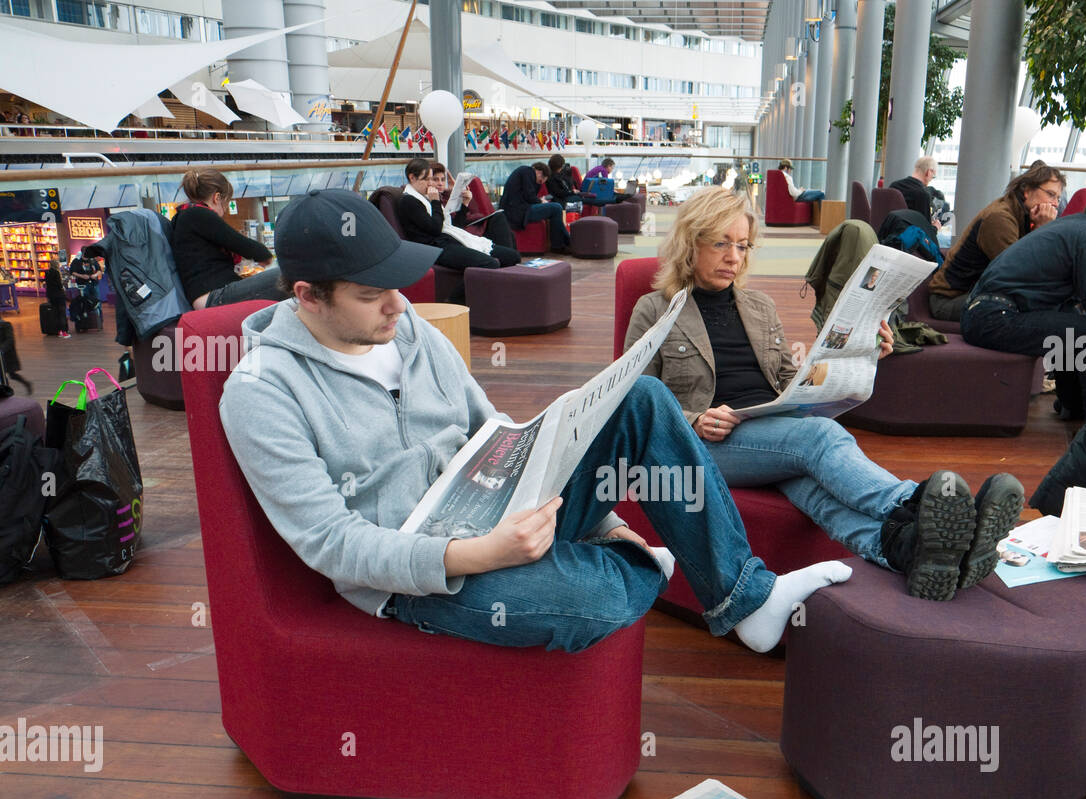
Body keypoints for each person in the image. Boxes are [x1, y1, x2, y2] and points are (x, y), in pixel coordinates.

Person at [220, 188, 852, 655]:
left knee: (644, 400)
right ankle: (639, 566)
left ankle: (746, 599)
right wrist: (475, 554)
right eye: (369, 295)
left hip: (494, 500)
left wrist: (595, 513)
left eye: (397, 284)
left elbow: (488, 426)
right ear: (306, 295)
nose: (398, 306)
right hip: (418, 572)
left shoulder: (411, 331)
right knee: (594, 601)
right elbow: (328, 542)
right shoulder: (261, 393)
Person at [625, 188, 1024, 602]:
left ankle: (911, 551)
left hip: (771, 429)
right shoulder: (654, 310)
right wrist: (694, 419)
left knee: (813, 488)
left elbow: (783, 375)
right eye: (721, 243)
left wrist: (862, 352)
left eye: (742, 245)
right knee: (819, 438)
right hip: (704, 444)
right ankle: (917, 504)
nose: (734, 257)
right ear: (691, 244)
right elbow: (632, 402)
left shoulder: (758, 306)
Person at [962, 184, 1086, 421]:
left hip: (983, 314)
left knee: (1077, 324)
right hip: (996, 318)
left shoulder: (1071, 227)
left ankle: (1074, 408)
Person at [928, 160, 1065, 321]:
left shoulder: (1021, 215)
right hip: (949, 301)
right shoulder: (1000, 218)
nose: (1055, 204)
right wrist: (1043, 229)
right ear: (1027, 191)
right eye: (1050, 194)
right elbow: (1023, 276)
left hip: (975, 293)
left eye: (1058, 198)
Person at [396, 158, 519, 299]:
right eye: (427, 179)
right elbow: (435, 229)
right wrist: (435, 201)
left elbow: (451, 227)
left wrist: (463, 204)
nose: (431, 183)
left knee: (512, 256)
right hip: (434, 248)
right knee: (489, 263)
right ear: (412, 178)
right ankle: (454, 301)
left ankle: (500, 291)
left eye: (432, 179)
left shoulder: (424, 198)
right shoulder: (409, 201)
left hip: (448, 240)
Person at [170, 167, 284, 309]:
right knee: (287, 275)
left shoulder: (185, 215)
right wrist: (267, 258)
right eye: (226, 204)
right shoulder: (198, 214)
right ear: (217, 198)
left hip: (211, 295)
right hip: (214, 296)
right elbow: (247, 247)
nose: (224, 212)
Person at [500, 162, 570, 252]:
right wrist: (541, 201)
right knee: (556, 208)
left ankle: (566, 242)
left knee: (555, 208)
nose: (539, 184)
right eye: (540, 181)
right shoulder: (528, 172)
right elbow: (530, 196)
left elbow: (527, 196)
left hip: (514, 210)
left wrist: (539, 200)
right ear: (539, 172)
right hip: (518, 212)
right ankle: (559, 245)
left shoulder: (523, 172)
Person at [43, 253, 69, 339]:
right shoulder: (56, 273)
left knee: (55, 313)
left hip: (51, 295)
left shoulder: (47, 273)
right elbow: (59, 285)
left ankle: (58, 331)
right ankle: (64, 332)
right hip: (59, 295)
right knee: (62, 313)